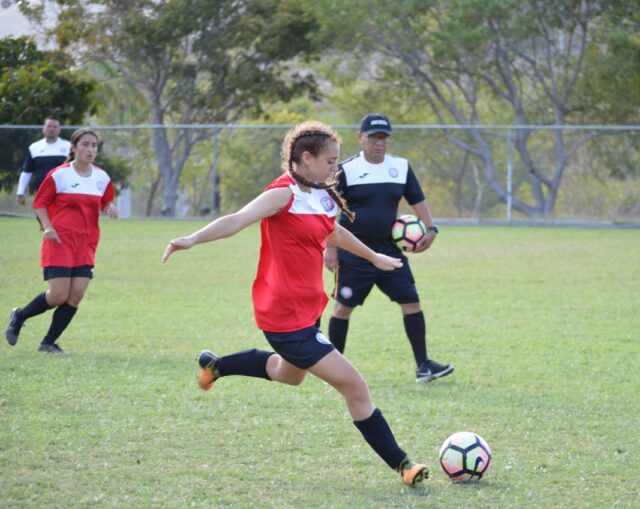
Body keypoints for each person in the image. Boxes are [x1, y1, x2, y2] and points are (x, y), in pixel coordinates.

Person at [161, 121, 430, 487]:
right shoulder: (282, 193)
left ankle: (216, 365)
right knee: (355, 387)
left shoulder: (320, 192)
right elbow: (236, 220)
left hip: (307, 308)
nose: (336, 168)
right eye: (330, 161)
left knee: (288, 374)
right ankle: (404, 466)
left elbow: (331, 230)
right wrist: (191, 239)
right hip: (283, 314)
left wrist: (373, 257)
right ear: (306, 158)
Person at [323, 113, 453, 383]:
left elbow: (418, 200)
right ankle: (333, 370)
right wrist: (331, 248)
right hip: (355, 253)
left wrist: (431, 229)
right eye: (373, 138)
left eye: (384, 138)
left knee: (412, 303)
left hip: (391, 253)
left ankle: (423, 366)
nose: (379, 143)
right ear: (361, 138)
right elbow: (328, 210)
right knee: (342, 309)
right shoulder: (346, 170)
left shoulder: (401, 167)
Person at [5, 128, 117, 353]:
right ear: (74, 148)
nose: (90, 149)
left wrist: (110, 207)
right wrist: (47, 227)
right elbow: (39, 203)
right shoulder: (59, 175)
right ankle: (20, 315)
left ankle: (48, 342)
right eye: (85, 144)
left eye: (94, 146)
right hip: (59, 240)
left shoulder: (101, 177)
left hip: (86, 242)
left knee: (76, 295)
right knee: (58, 295)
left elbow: (106, 201)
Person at [16, 116, 71, 206]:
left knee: (58, 219)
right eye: (49, 126)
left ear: (59, 130)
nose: (51, 129)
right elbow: (27, 172)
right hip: (41, 193)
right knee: (43, 219)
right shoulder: (34, 148)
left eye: (55, 126)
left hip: (63, 193)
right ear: (43, 128)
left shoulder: (68, 147)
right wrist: (20, 192)